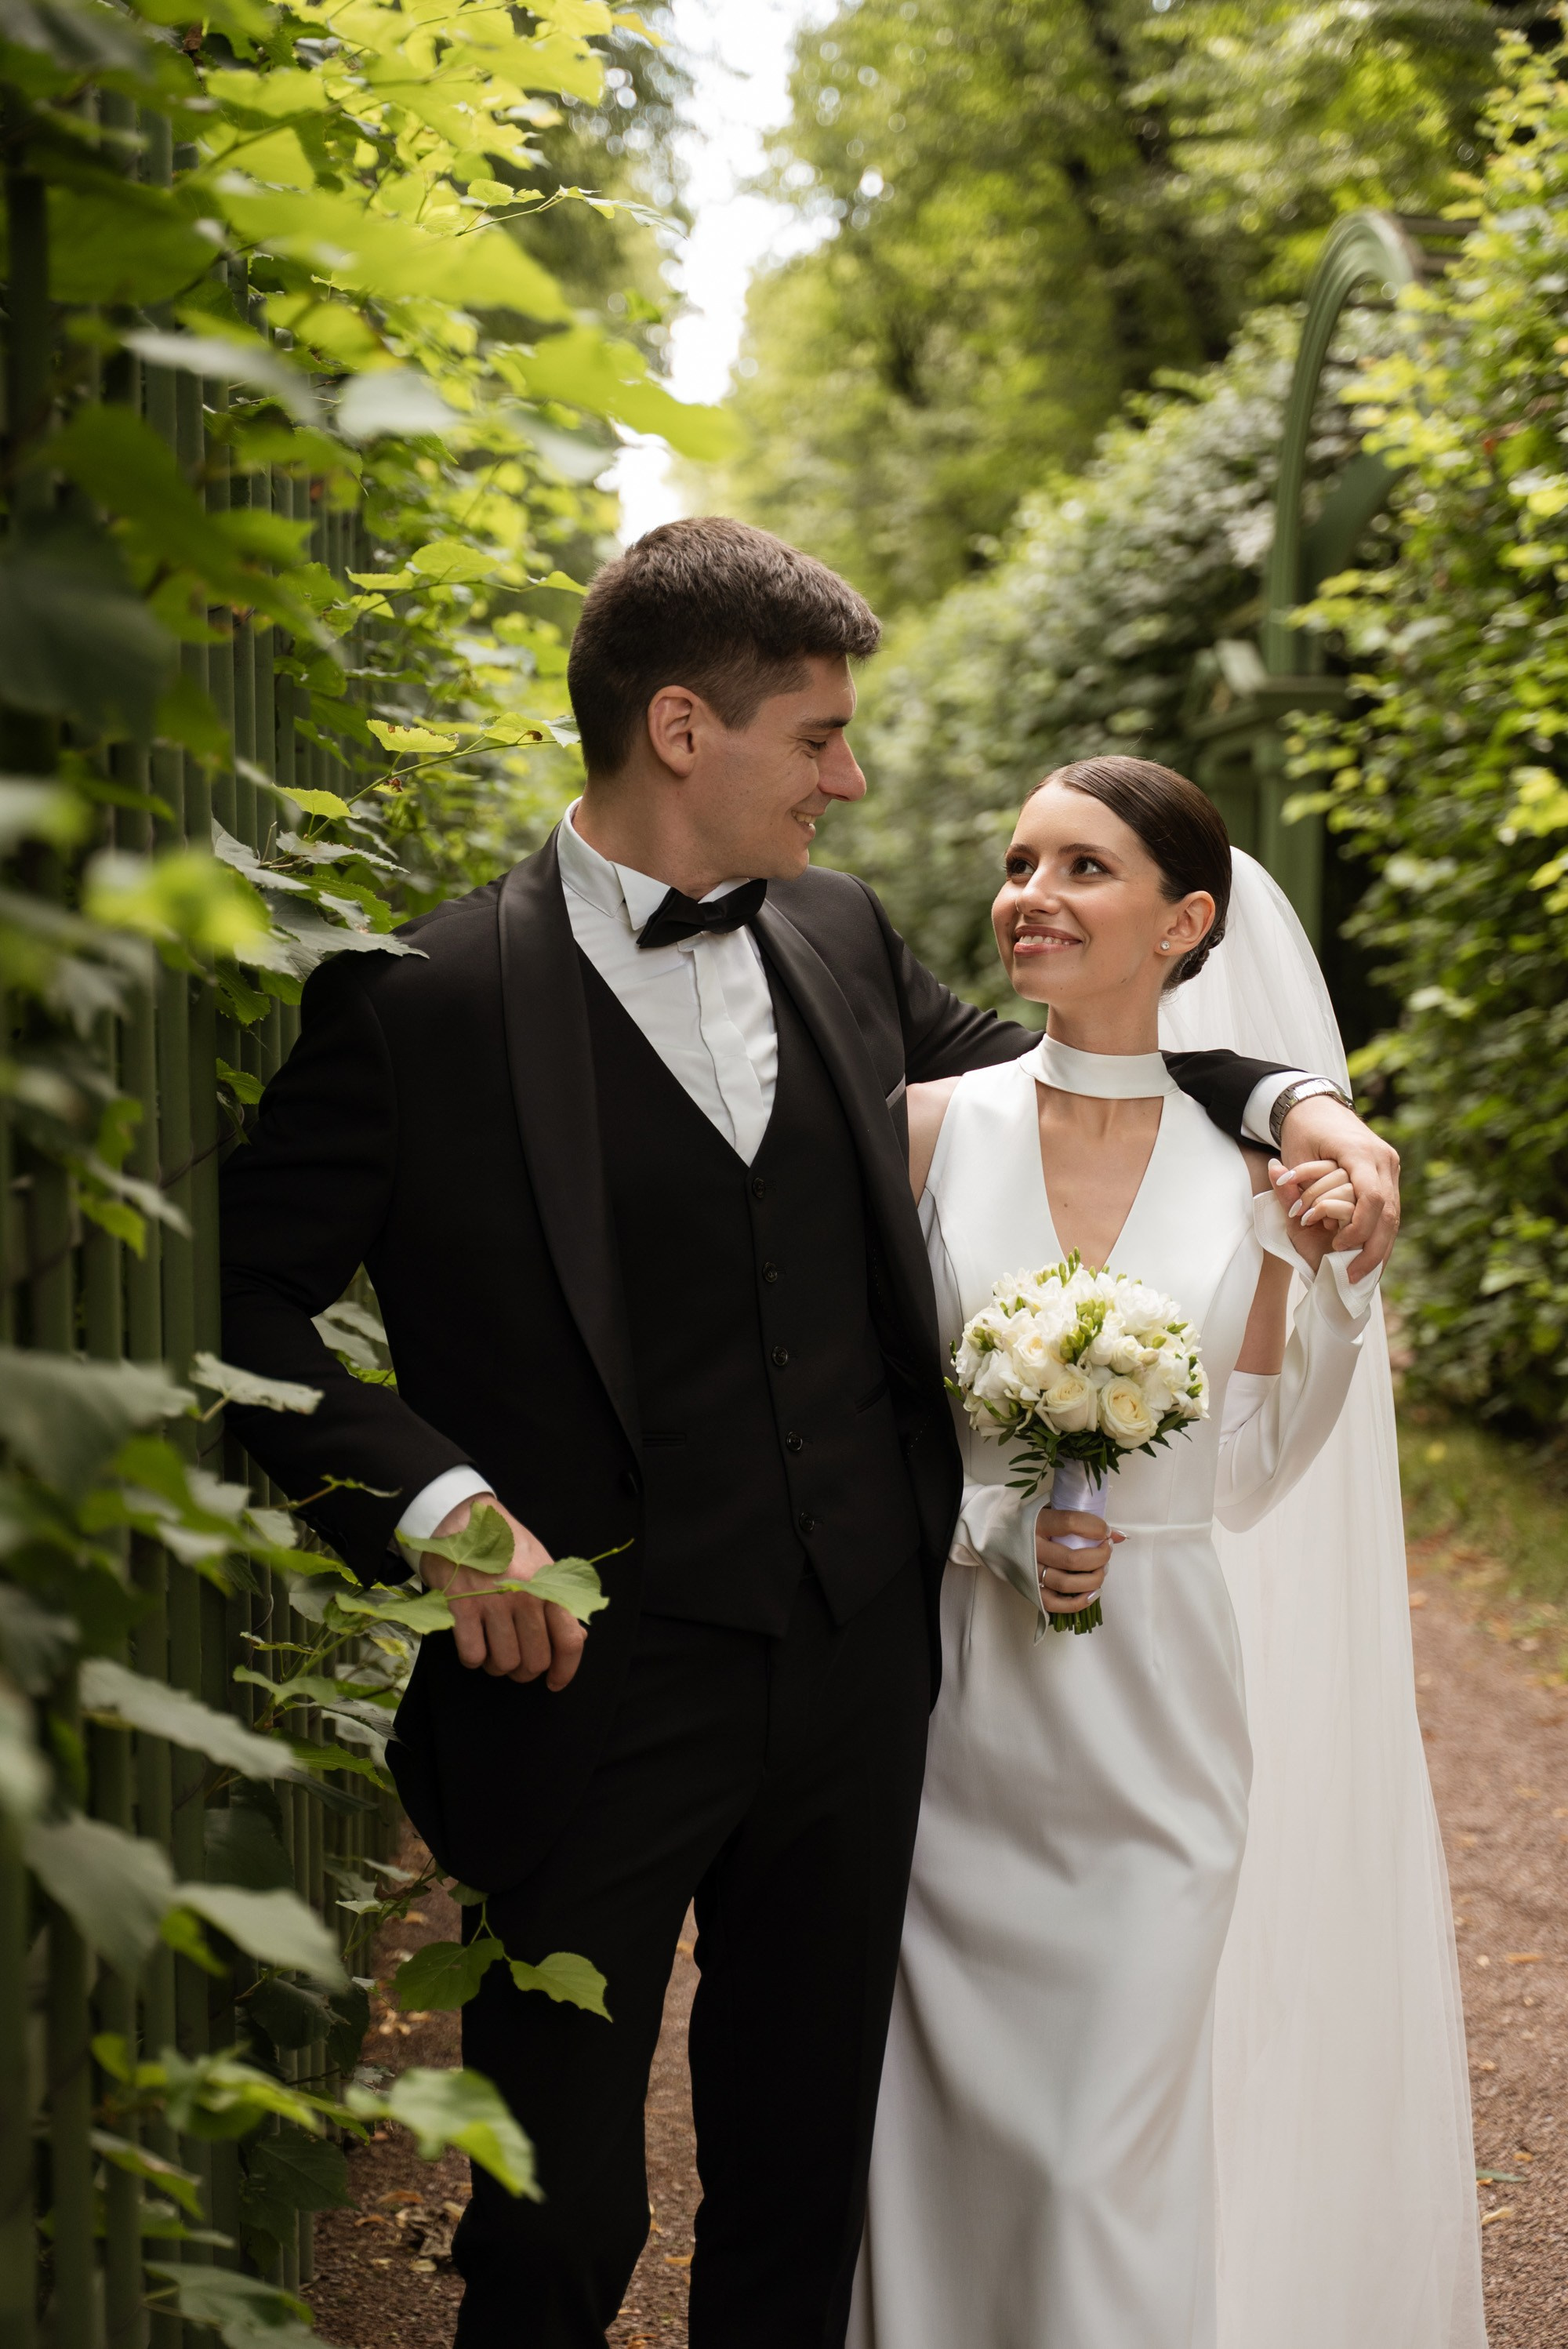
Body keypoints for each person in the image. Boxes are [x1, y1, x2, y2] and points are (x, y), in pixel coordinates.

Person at [219, 521, 1399, 2349]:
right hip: (587, 1689)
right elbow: (242, 1305)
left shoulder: (839, 936)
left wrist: (1298, 1098)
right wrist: (443, 1510)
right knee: (559, 2207)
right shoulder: (421, 1002)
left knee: (804, 2185)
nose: (852, 777)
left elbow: (1073, 1067)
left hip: (865, 1674)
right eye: (822, 737)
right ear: (682, 728)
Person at [848, 758, 1483, 2349]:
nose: (1030, 894)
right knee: (934, 2136)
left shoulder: (1259, 1178)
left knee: (1098, 2152)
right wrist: (1000, 1522)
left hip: (1156, 1726)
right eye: (1016, 862)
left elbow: (1253, 1469)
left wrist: (1337, 1291)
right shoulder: (921, 1133)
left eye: (1083, 867)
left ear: (1185, 919)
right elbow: (846, 1423)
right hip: (949, 1713)